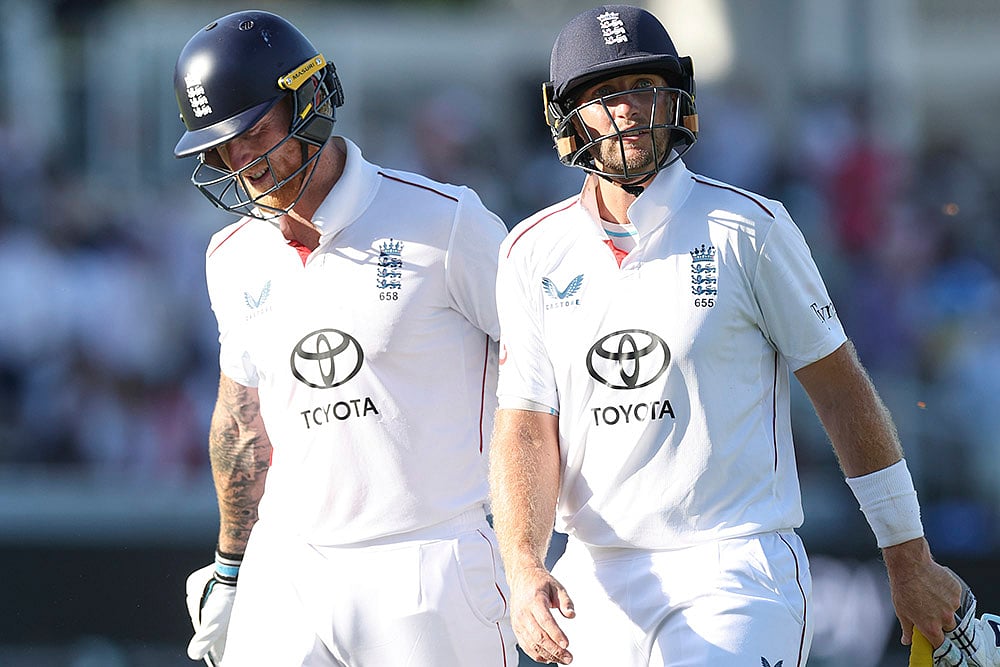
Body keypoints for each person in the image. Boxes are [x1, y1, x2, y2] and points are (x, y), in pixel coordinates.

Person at [487, 5, 972, 666]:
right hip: (595, 580)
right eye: (603, 95)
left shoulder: (750, 228)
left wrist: (908, 557)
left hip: (736, 564)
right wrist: (520, 564)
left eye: (642, 88)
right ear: (567, 116)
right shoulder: (530, 252)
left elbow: (842, 392)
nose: (626, 110)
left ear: (676, 96)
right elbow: (523, 428)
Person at [172, 10, 516, 666]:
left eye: (253, 133)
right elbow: (243, 421)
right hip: (287, 563)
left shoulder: (448, 223)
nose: (239, 162)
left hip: (431, 558)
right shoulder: (230, 254)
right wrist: (230, 566)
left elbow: (545, 375)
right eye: (218, 149)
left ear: (308, 102)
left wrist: (533, 550)